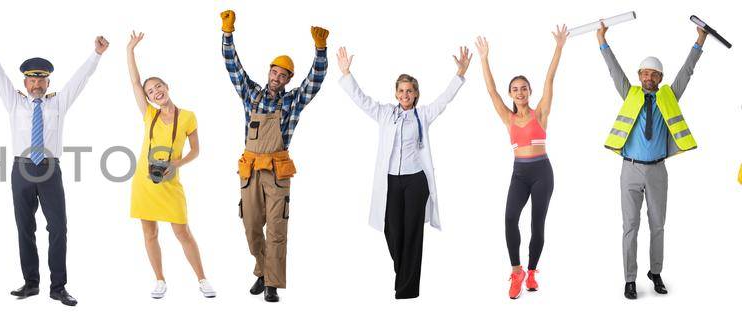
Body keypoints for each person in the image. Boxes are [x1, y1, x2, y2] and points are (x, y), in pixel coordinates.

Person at [0, 26, 105, 307]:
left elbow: (79, 80)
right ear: (25, 82)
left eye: (42, 80)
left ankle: (58, 287)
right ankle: (31, 283)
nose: (36, 85)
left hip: (49, 169)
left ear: (47, 82)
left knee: (58, 227)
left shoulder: (58, 103)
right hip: (21, 169)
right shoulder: (15, 103)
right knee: (25, 227)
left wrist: (96, 55)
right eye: (32, 80)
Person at [335, 44, 470, 299]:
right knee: (392, 229)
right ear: (396, 93)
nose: (405, 94)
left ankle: (407, 289)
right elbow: (361, 100)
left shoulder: (423, 114)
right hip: (391, 182)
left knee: (413, 232)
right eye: (401, 90)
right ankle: (404, 272)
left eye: (409, 90)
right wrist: (346, 73)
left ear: (416, 93)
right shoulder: (386, 114)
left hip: (416, 181)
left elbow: (445, 99)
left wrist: (459, 75)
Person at [219, 10, 329, 303]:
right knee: (252, 226)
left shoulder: (293, 101)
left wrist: (321, 51)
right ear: (268, 71)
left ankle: (272, 284)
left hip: (278, 174)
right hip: (250, 170)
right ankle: (262, 270)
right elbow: (233, 67)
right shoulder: (250, 94)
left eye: (283, 75)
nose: (277, 78)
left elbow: (315, 81)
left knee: (277, 230)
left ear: (288, 79)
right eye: (274, 72)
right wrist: (227, 34)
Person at [597, 21, 709, 300]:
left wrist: (700, 42)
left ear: (660, 78)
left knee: (658, 224)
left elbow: (687, 72)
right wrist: (602, 41)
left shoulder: (670, 97)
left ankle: (655, 273)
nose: (648, 77)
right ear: (639, 76)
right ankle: (630, 279)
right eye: (644, 73)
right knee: (630, 226)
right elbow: (614, 72)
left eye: (654, 74)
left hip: (658, 170)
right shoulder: (630, 94)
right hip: (630, 170)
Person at [474, 26, 566, 300]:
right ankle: (516, 272)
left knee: (537, 225)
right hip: (520, 173)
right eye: (515, 89)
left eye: (523, 88)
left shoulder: (541, 113)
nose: (520, 92)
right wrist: (484, 59)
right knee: (510, 218)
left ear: (529, 91)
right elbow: (491, 91)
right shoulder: (508, 117)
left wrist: (559, 47)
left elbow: (550, 78)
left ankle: (533, 272)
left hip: (542, 173)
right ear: (511, 94)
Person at [123, 31, 214, 301]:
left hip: (170, 181)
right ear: (149, 98)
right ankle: (160, 279)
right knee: (150, 233)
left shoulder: (188, 117)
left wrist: (177, 164)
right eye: (150, 92)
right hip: (144, 182)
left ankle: (202, 278)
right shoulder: (149, 114)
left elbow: (196, 151)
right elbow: (134, 82)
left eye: (158, 87)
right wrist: (130, 49)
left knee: (182, 231)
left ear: (167, 87)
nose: (155, 92)